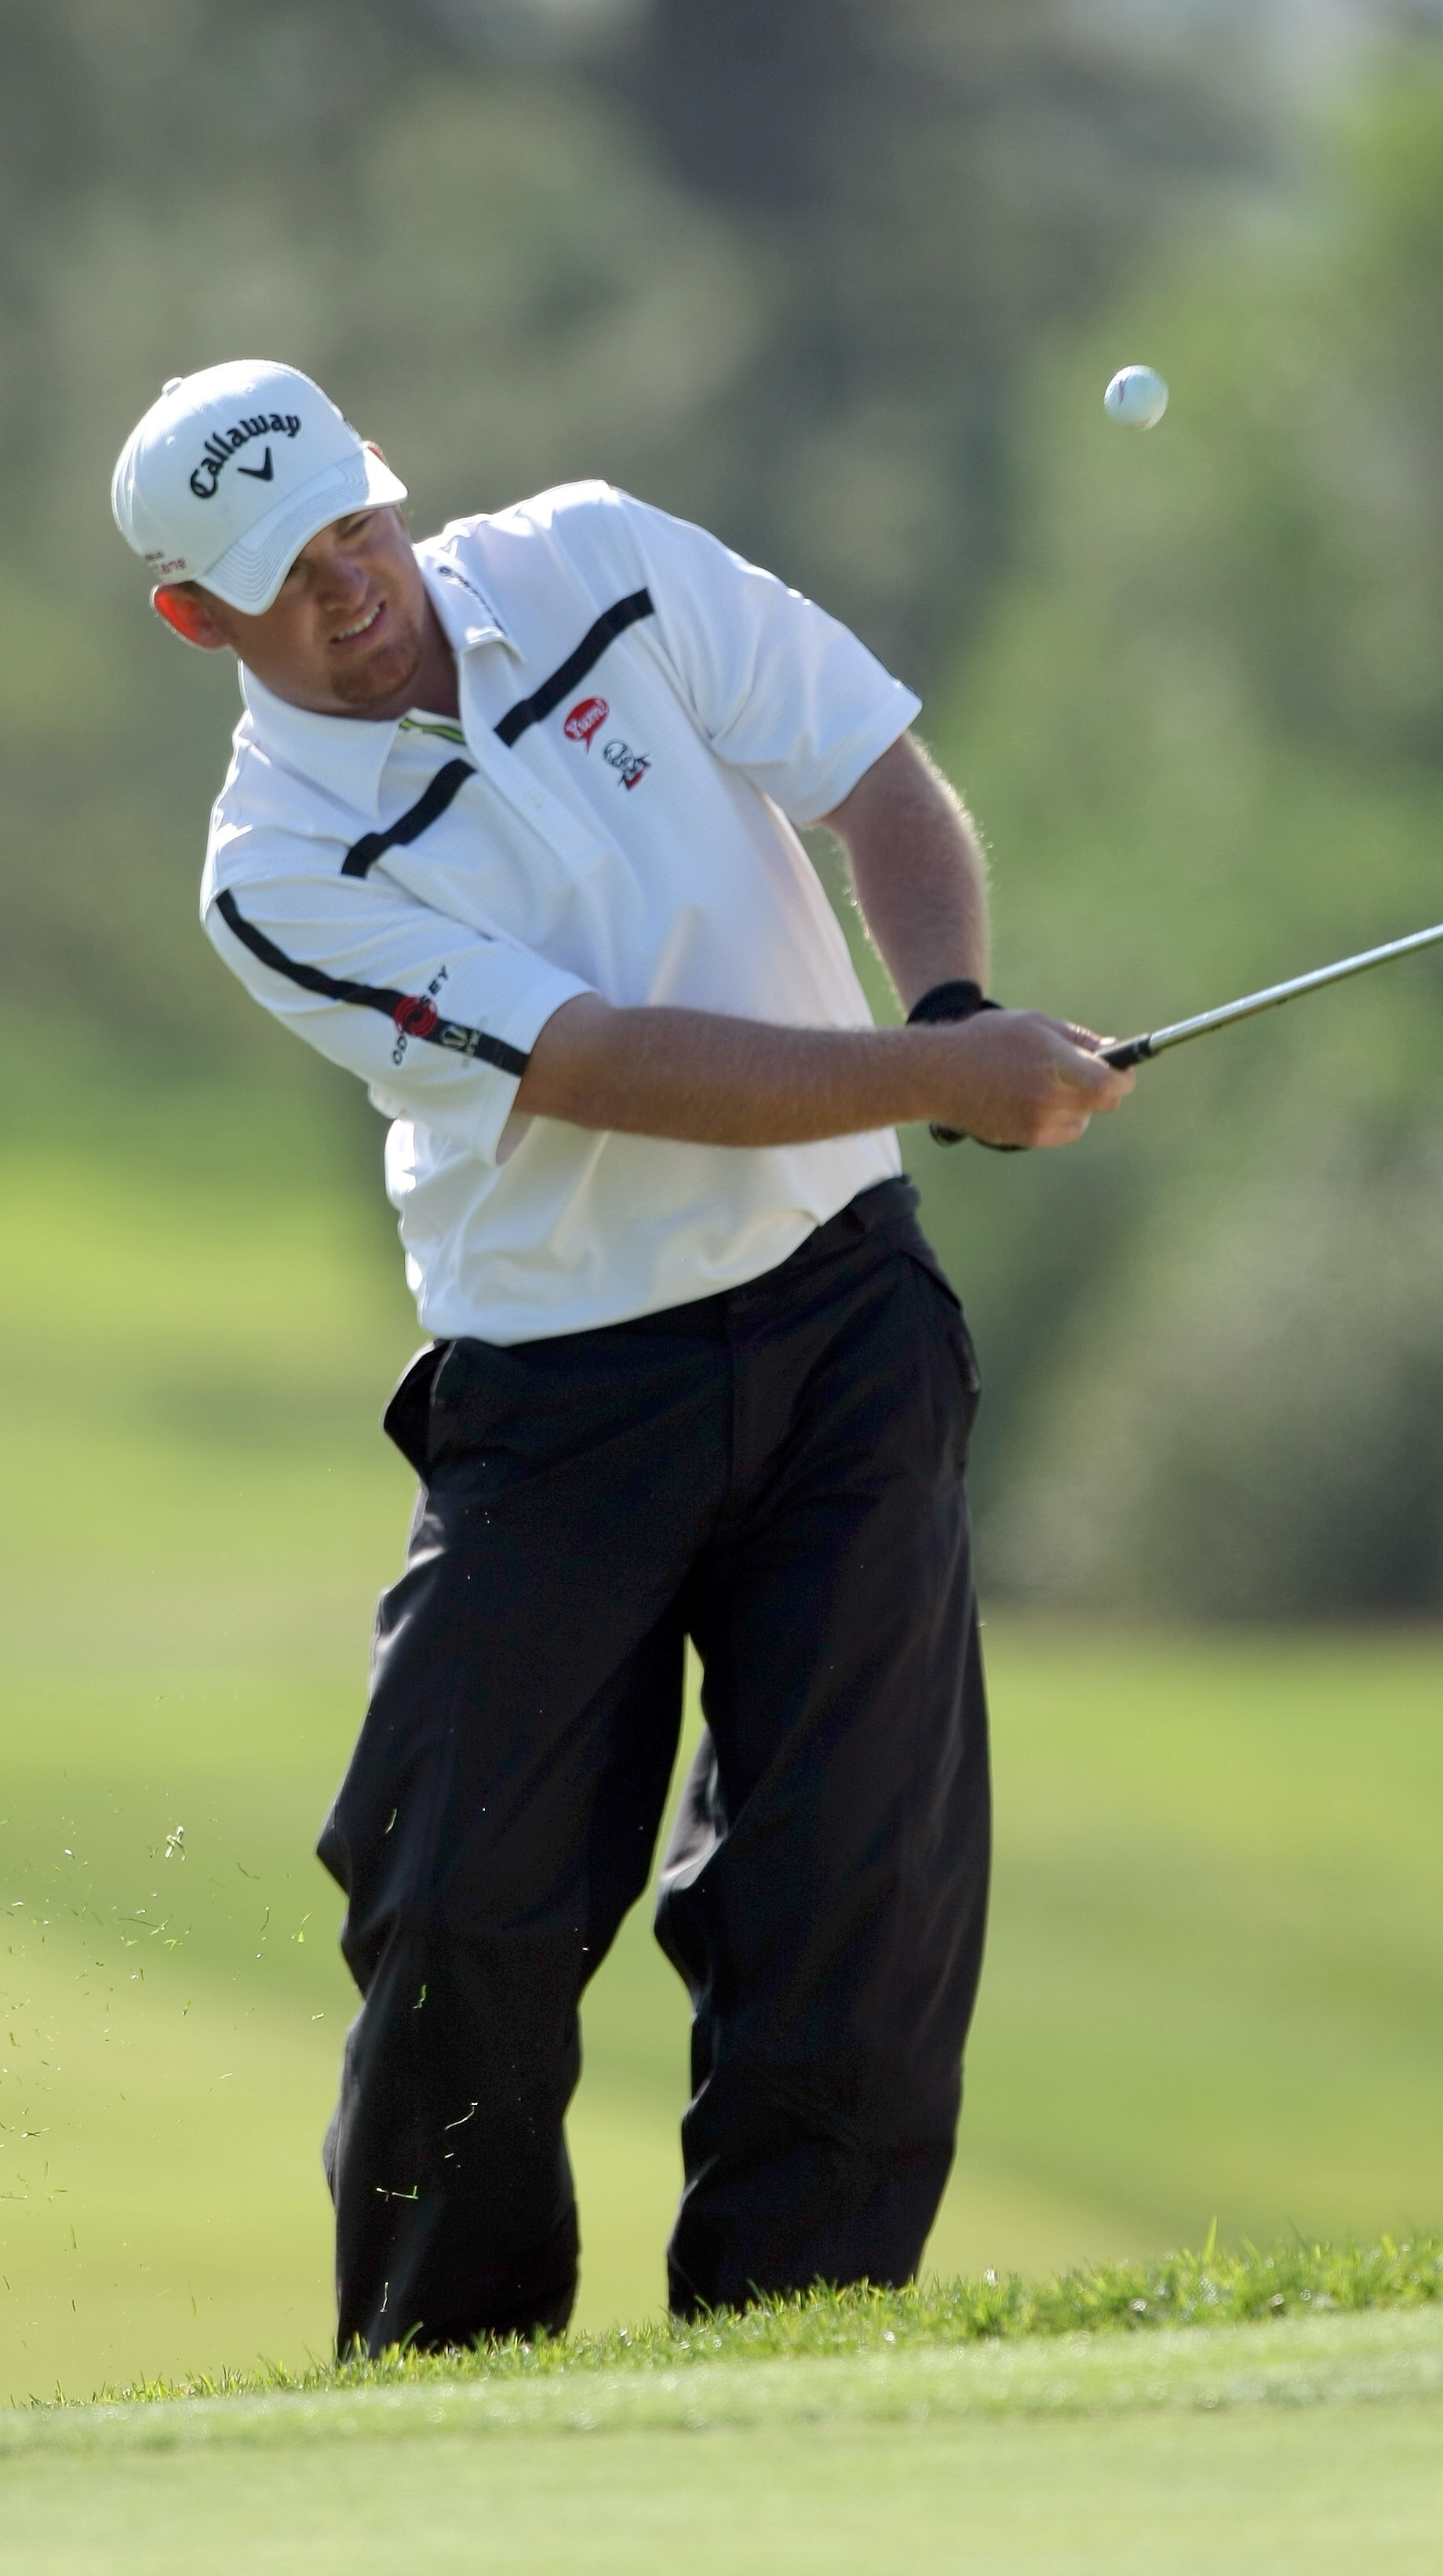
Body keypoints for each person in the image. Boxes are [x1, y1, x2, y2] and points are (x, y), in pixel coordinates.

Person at [111, 359, 1132, 2357]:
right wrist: (943, 1074)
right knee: (449, 1905)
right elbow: (591, 1063)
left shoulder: (599, 559)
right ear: (192, 619)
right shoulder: (275, 874)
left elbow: (870, 770)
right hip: (561, 1402)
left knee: (852, 1913)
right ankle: (442, 2386)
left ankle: (788, 2378)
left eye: (358, 528)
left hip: (845, 1326)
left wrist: (952, 1005)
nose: (352, 588)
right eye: (287, 574)